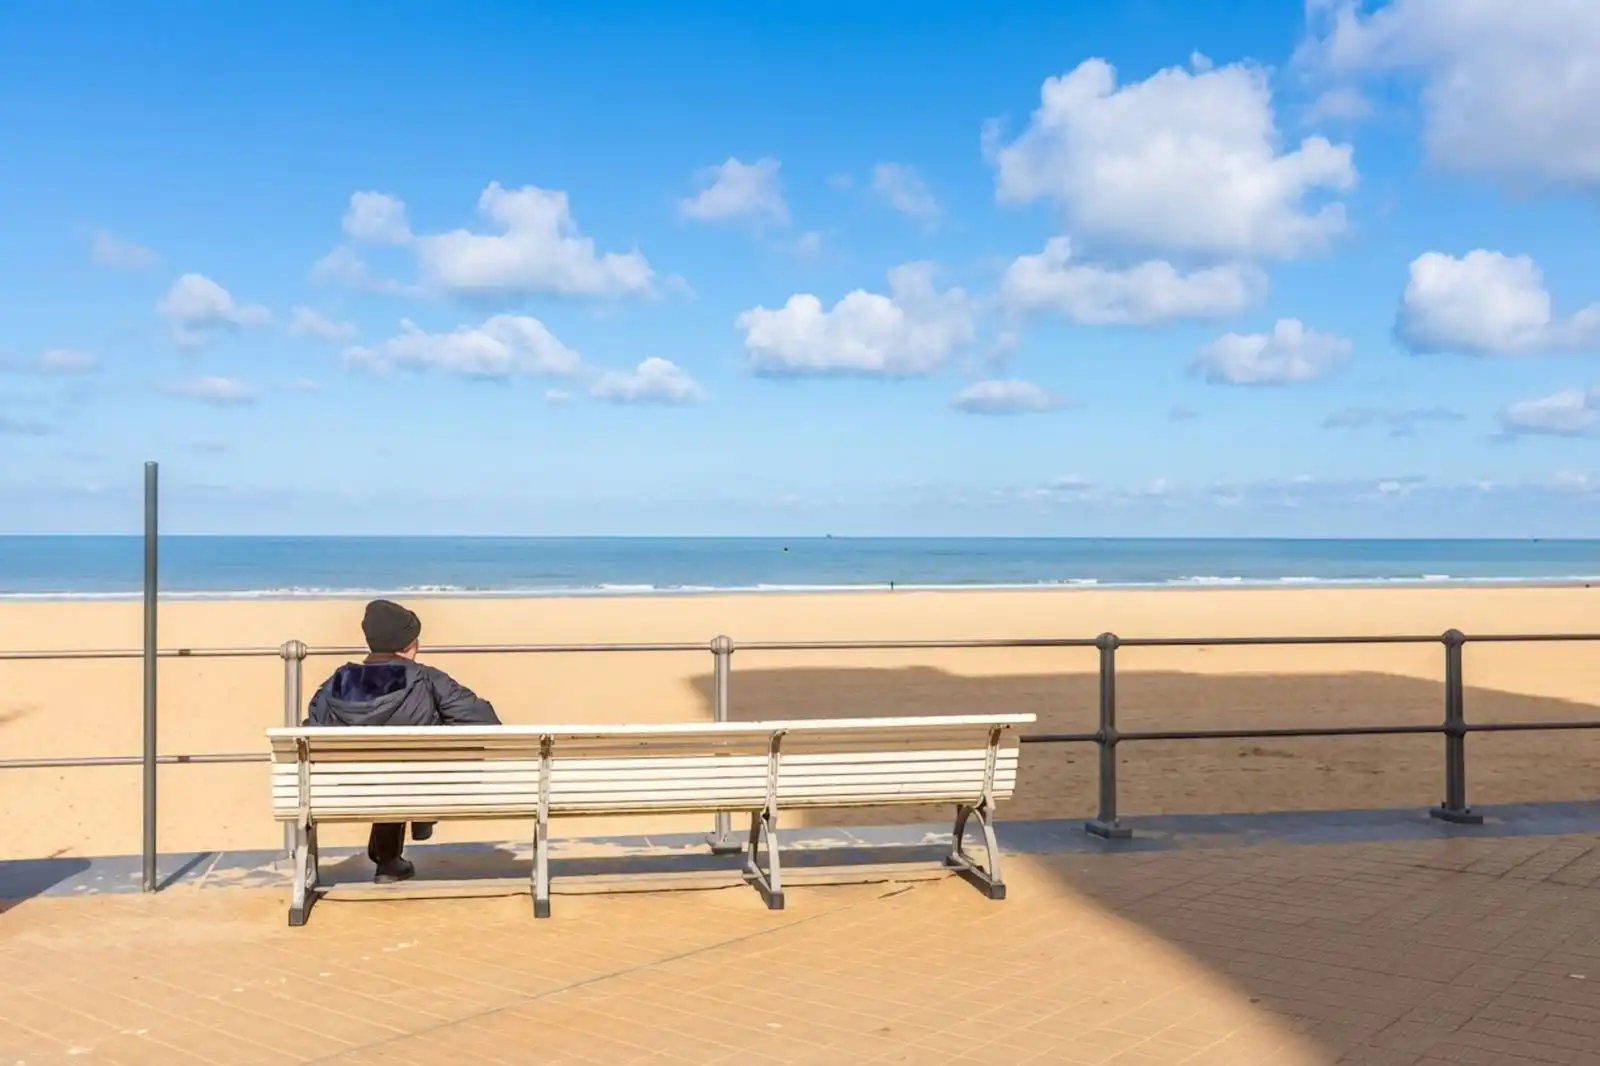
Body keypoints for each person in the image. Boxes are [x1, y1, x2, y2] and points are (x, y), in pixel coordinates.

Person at [305, 599, 500, 883]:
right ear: (410, 645)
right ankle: (419, 820)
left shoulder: (336, 684)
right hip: (420, 786)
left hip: (346, 790)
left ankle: (388, 860)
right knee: (405, 766)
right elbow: (486, 722)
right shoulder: (427, 679)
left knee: (385, 769)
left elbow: (310, 734)